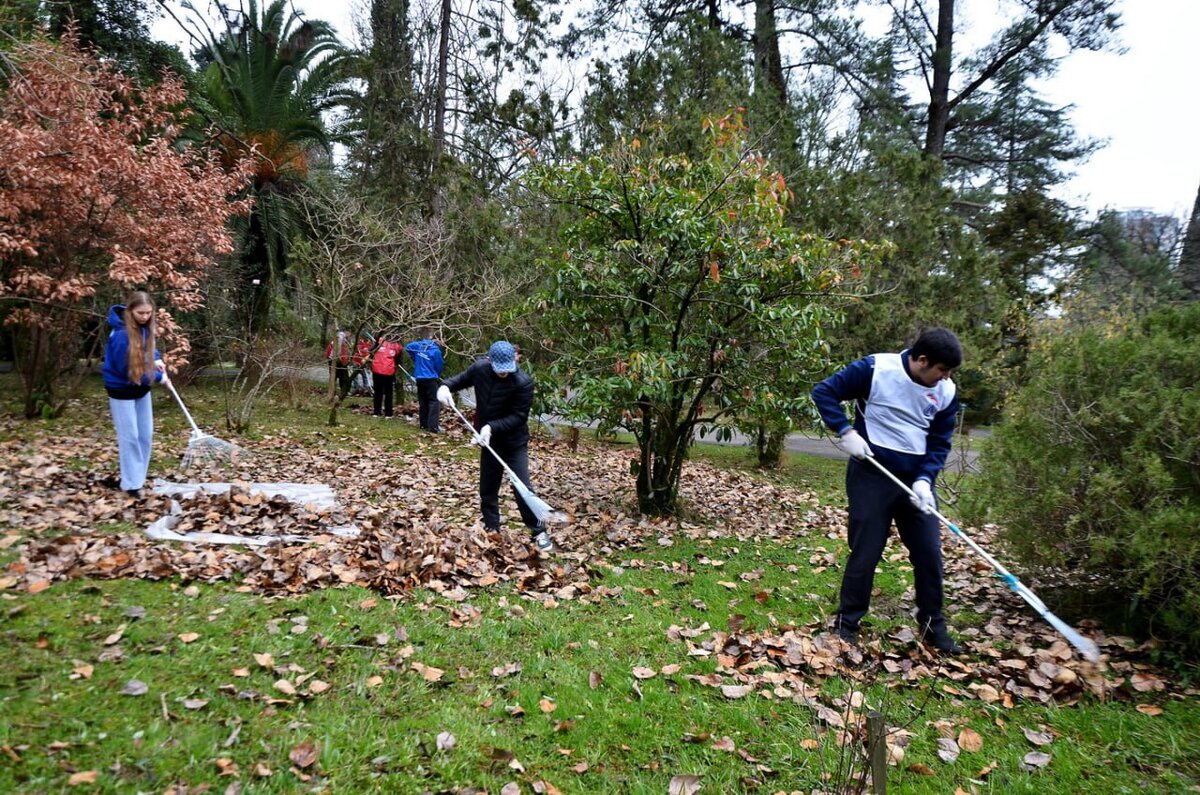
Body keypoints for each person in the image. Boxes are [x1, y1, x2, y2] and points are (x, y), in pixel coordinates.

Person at [811, 327, 965, 655]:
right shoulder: (874, 370)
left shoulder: (945, 392)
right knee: (865, 551)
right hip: (872, 474)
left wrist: (926, 479)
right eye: (942, 370)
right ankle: (847, 624)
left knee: (929, 554)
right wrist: (845, 430)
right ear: (921, 360)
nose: (946, 378)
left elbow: (939, 442)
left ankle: (932, 625)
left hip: (915, 484)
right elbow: (824, 392)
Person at [437, 340, 553, 553]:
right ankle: (492, 528)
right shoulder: (480, 369)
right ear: (490, 361)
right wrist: (445, 387)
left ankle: (538, 531)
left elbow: (519, 416)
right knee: (488, 489)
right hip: (488, 441)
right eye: (499, 370)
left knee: (522, 487)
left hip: (513, 442)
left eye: (507, 370)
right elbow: (458, 380)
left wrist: (490, 427)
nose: (503, 374)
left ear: (515, 359)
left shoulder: (523, 383)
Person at [101, 291, 171, 499]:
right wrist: (160, 378)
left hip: (141, 389)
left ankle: (138, 478)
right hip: (122, 389)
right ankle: (131, 484)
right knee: (130, 438)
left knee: (145, 435)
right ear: (130, 311)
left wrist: (156, 359)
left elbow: (148, 349)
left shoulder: (145, 327)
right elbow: (131, 372)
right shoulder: (121, 336)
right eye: (140, 313)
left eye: (149, 313)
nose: (145, 316)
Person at [405, 333, 445, 432]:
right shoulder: (436, 351)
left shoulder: (419, 346)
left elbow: (409, 347)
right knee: (434, 402)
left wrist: (416, 358)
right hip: (430, 378)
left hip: (419, 378)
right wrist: (436, 374)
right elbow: (439, 366)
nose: (444, 343)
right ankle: (433, 427)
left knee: (423, 401)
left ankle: (424, 424)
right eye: (443, 340)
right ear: (439, 339)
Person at [370, 333, 403, 417]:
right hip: (389, 371)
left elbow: (371, 351)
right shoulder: (397, 346)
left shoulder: (379, 342)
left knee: (378, 392)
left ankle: (376, 412)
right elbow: (398, 359)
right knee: (388, 392)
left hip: (377, 370)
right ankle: (388, 413)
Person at [325, 329, 351, 395]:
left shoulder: (340, 337)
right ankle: (340, 391)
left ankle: (334, 390)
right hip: (337, 359)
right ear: (346, 331)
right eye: (349, 333)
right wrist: (339, 355)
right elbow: (338, 345)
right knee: (341, 376)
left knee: (336, 375)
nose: (349, 335)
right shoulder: (341, 335)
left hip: (336, 359)